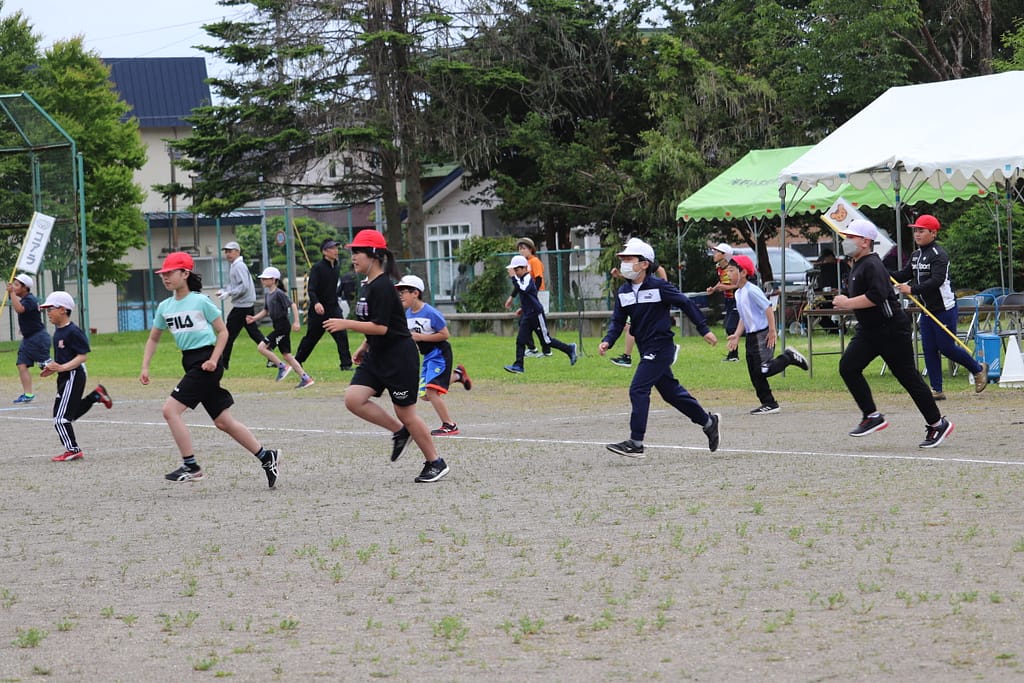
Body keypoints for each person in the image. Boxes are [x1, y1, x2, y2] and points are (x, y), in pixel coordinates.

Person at [139, 251, 281, 487]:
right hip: (191, 362)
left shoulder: (200, 301)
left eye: (170, 273)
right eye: (163, 274)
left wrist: (214, 360)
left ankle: (191, 466)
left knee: (170, 410)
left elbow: (223, 332)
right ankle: (267, 456)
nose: (165, 277)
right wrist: (145, 366)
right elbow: (153, 338)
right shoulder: (165, 306)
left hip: (206, 362)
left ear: (185, 274)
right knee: (223, 422)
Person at [323, 230, 449, 483]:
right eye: (353, 252)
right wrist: (364, 346)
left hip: (398, 357)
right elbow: (377, 324)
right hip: (377, 354)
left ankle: (435, 462)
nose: (353, 257)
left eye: (358, 252)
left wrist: (346, 323)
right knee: (354, 399)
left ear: (374, 255)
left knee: (406, 413)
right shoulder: (367, 285)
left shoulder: (382, 286)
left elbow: (381, 327)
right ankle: (400, 432)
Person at [831, 219, 953, 449]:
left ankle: (937, 424)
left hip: (891, 329)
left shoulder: (872, 264)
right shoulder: (858, 264)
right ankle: (871, 416)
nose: (846, 241)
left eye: (851, 237)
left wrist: (847, 303)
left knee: (908, 377)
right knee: (848, 367)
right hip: (870, 330)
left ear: (865, 242)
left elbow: (876, 296)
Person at [598, 238, 721, 457]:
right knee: (671, 393)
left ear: (645, 264)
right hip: (645, 348)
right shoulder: (624, 292)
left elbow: (685, 303)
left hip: (661, 347)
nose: (624, 264)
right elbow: (618, 321)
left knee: (638, 388)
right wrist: (608, 340)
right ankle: (709, 422)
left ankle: (636, 443)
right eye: (623, 259)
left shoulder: (659, 287)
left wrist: (704, 330)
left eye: (629, 259)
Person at [892, 214, 988, 400]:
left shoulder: (939, 255)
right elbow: (904, 274)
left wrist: (912, 289)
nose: (917, 234)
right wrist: (882, 272)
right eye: (915, 231)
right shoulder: (915, 255)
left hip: (945, 309)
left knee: (946, 347)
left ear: (933, 233)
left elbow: (936, 280)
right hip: (926, 310)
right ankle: (937, 389)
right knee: (929, 348)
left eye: (921, 231)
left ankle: (978, 369)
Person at [725, 254, 808, 414]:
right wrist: (736, 335)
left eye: (731, 270)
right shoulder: (738, 293)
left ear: (743, 272)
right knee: (754, 373)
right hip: (751, 337)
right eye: (727, 271)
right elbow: (744, 317)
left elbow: (768, 308)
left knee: (763, 369)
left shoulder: (751, 290)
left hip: (762, 335)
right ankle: (769, 403)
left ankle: (789, 357)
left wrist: (772, 330)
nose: (728, 274)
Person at [37, 291, 112, 461]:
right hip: (65, 375)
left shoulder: (73, 331)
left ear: (63, 310)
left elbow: (82, 356)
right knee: (67, 415)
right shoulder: (58, 332)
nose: (48, 313)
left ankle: (73, 450)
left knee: (60, 419)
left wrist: (62, 367)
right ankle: (96, 395)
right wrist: (53, 368)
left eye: (50, 309)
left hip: (74, 375)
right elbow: (63, 358)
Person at [396, 274, 471, 436]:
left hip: (440, 354)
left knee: (431, 391)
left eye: (403, 291)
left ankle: (449, 425)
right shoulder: (407, 314)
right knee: (425, 395)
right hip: (428, 355)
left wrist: (421, 337)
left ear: (415, 293)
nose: (400, 295)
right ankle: (457, 375)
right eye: (399, 292)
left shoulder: (430, 312)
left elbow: (445, 334)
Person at [503, 254, 578, 373]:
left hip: (536, 315)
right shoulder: (521, 279)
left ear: (524, 268)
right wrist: (523, 308)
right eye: (514, 270)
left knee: (546, 340)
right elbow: (528, 296)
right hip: (527, 314)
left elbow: (523, 289)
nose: (515, 272)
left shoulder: (527, 278)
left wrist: (513, 277)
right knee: (520, 340)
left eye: (517, 270)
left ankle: (569, 349)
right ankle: (518, 365)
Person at [246, 266, 315, 389]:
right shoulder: (268, 295)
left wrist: (296, 322)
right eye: (262, 278)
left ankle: (282, 367)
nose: (262, 280)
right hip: (277, 327)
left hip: (282, 327)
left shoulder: (279, 293)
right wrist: (254, 318)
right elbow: (266, 311)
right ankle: (306, 378)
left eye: (265, 278)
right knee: (287, 355)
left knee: (262, 347)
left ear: (273, 280)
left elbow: (293, 305)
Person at [295, 238, 354, 372]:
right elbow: (311, 289)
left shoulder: (336, 266)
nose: (335, 251)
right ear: (324, 252)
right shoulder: (317, 268)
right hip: (319, 311)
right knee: (311, 338)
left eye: (336, 248)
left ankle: (346, 364)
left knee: (342, 336)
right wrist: (316, 303)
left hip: (333, 308)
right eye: (332, 248)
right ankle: (297, 361)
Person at [608, 262, 668, 367]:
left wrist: (665, 289)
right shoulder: (635, 270)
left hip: (647, 301)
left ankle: (628, 357)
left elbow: (660, 269)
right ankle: (629, 356)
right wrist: (619, 275)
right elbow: (636, 279)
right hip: (638, 301)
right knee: (630, 327)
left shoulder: (644, 260)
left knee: (633, 326)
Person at [216, 241, 264, 371]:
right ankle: (271, 354)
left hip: (242, 306)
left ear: (237, 252)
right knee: (254, 333)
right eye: (226, 252)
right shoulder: (235, 266)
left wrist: (229, 293)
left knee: (228, 334)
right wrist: (225, 291)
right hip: (245, 305)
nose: (227, 254)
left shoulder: (239, 266)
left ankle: (223, 362)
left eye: (230, 251)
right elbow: (236, 285)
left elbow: (244, 286)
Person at [7, 273, 51, 403]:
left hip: (38, 338)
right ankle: (28, 394)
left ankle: (72, 368)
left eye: (17, 285)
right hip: (28, 338)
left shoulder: (30, 299)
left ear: (25, 288)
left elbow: (20, 309)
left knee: (47, 366)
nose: (14, 287)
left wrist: (11, 293)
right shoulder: (25, 300)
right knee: (21, 364)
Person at [505, 237, 550, 357]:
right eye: (520, 249)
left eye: (524, 248)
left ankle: (545, 349)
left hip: (537, 294)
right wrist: (512, 296)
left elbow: (538, 279)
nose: (521, 251)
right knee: (525, 322)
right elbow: (520, 285)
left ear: (531, 249)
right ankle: (534, 348)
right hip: (529, 296)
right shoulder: (522, 264)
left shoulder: (534, 261)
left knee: (535, 324)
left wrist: (533, 295)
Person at [706, 243, 740, 361]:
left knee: (730, 327)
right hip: (728, 300)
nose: (714, 254)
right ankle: (733, 355)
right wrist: (714, 289)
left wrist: (725, 287)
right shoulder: (719, 267)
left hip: (737, 300)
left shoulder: (733, 267)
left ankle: (734, 355)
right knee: (729, 327)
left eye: (717, 252)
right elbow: (721, 282)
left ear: (725, 255)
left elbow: (738, 284)